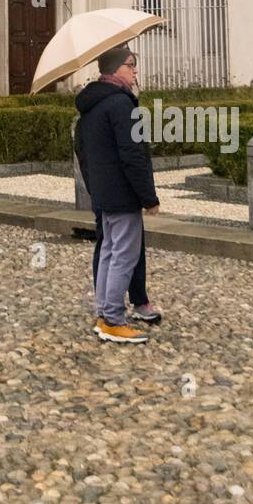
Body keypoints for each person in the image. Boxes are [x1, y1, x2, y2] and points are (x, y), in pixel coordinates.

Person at [75, 44, 160, 344]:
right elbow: (132, 155)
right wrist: (149, 197)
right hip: (122, 195)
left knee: (110, 253)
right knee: (123, 255)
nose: (135, 70)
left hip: (104, 194)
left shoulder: (92, 104)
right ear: (113, 69)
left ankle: (105, 314)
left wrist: (95, 188)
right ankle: (112, 319)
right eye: (130, 64)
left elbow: (82, 152)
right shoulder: (121, 105)